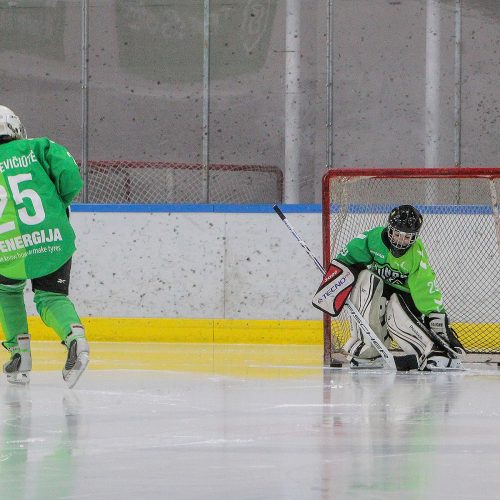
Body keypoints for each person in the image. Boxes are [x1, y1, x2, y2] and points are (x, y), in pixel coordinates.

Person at [0, 105, 89, 387]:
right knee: (51, 297)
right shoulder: (38, 147)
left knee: (6, 290)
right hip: (52, 236)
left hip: (8, 245)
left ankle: (20, 355)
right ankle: (76, 339)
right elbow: (70, 176)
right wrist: (57, 204)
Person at [316, 205, 464, 371]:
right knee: (365, 278)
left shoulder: (416, 254)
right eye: (397, 234)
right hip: (380, 290)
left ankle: (433, 352)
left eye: (407, 237)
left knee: (396, 312)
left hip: (405, 298)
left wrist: (435, 316)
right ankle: (369, 350)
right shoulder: (373, 238)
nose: (401, 240)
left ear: (415, 236)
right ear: (389, 229)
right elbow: (348, 258)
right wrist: (336, 281)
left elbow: (425, 287)